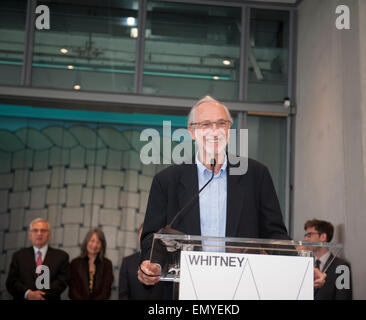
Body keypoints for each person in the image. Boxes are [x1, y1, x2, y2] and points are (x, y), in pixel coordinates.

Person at [138, 95, 326, 293]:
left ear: (229, 130)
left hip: (242, 287)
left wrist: (301, 269)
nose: (214, 130)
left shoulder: (255, 174)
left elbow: (275, 235)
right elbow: (152, 235)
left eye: (221, 123)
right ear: (192, 132)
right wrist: (151, 265)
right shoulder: (167, 180)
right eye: (205, 124)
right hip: (184, 288)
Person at [6, 218, 70, 300]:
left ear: (49, 235)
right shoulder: (18, 256)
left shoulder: (61, 256)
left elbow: (62, 281)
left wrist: (40, 295)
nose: (39, 233)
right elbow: (11, 282)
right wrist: (28, 294)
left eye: (43, 230)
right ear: (30, 235)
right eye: (35, 230)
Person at [304, 219, 352, 300]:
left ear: (323, 237)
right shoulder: (306, 265)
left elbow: (343, 297)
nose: (306, 239)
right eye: (305, 236)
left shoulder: (342, 267)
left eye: (309, 235)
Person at [119, 224, 165, 299]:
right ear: (138, 237)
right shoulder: (127, 262)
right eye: (144, 235)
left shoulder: (166, 263)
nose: (148, 239)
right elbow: (123, 294)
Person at [68, 228, 113, 300]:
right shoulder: (75, 263)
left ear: (102, 245)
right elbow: (72, 290)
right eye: (92, 241)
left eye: (98, 242)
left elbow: (106, 291)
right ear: (86, 242)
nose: (94, 245)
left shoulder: (107, 264)